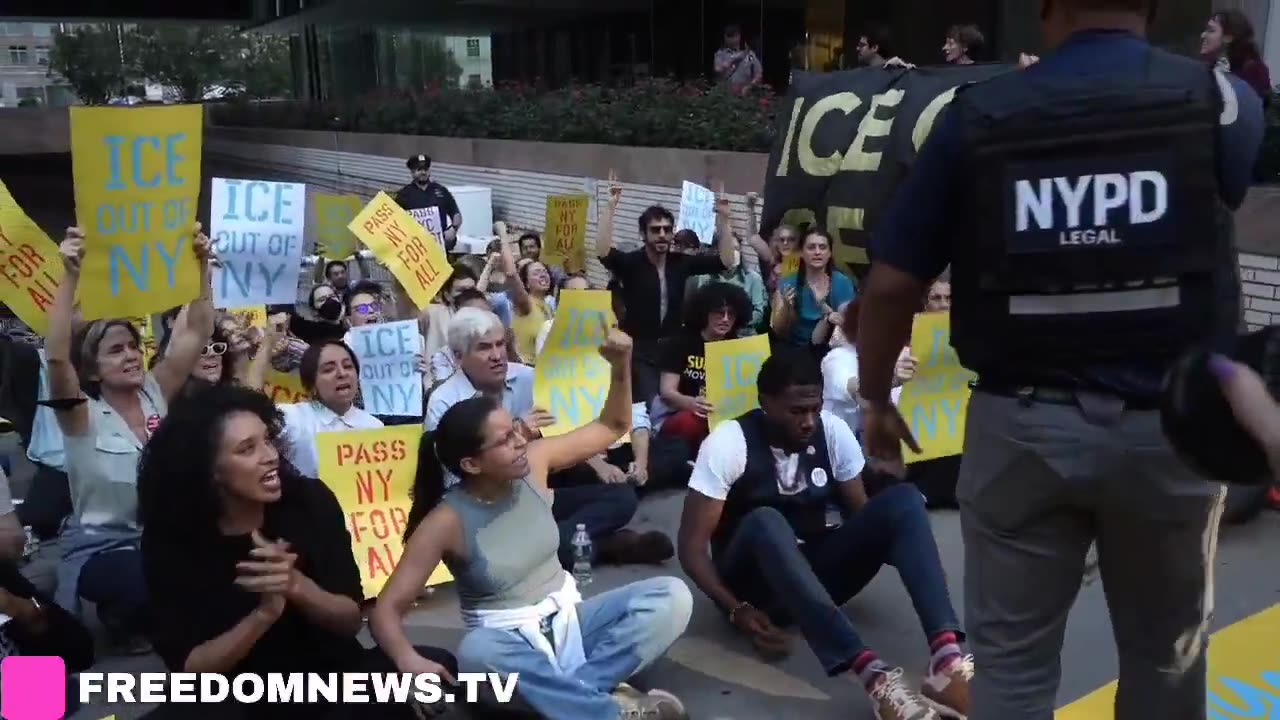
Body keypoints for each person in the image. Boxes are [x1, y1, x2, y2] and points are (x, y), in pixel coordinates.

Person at [855, 1, 1266, 717]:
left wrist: (875, 400)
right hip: (1172, 434)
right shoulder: (1222, 102)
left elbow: (892, 284)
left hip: (1020, 433)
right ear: (1154, 6)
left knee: (1011, 674)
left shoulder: (977, 117)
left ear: (1044, 10)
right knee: (1167, 662)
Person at [370, 321, 692, 720]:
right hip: (508, 648)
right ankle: (612, 709)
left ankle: (573, 698)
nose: (521, 440)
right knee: (477, 654)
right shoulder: (446, 520)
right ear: (471, 464)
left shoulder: (535, 465)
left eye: (515, 431)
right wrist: (408, 660)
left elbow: (612, 426)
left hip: (573, 623)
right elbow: (385, 609)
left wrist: (621, 365)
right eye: (505, 439)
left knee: (670, 596)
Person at [676, 351, 969, 720]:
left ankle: (946, 661)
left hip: (815, 572)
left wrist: (909, 545)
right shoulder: (730, 442)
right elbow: (690, 549)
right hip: (756, 588)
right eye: (796, 412)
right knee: (766, 520)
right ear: (766, 404)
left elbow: (866, 517)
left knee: (905, 501)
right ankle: (873, 676)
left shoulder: (832, 430)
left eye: (814, 409)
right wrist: (735, 608)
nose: (808, 422)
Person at [139, 384, 455, 719]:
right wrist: (263, 615)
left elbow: (349, 622)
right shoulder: (171, 536)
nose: (269, 456)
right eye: (247, 449)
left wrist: (295, 586)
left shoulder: (309, 502)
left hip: (329, 679)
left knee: (435, 668)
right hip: (239, 695)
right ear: (210, 471)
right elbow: (192, 670)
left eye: (267, 440)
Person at [47, 226, 214, 650]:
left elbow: (196, 331)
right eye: (116, 350)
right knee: (153, 576)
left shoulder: (156, 390)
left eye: (134, 346)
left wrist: (201, 266)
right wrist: (69, 275)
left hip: (159, 539)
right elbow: (56, 356)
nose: (131, 356)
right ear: (93, 371)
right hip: (101, 549)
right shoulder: (80, 415)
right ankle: (119, 618)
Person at [426, 308, 671, 567]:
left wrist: (620, 365)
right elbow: (452, 484)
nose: (497, 355)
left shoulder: (527, 377)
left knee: (621, 496)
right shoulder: (443, 403)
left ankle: (568, 544)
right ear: (458, 357)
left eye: (500, 344)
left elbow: (579, 431)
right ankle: (607, 545)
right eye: (484, 348)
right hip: (490, 510)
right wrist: (517, 437)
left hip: (540, 486)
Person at [596, 172, 738, 405]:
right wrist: (611, 206)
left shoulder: (681, 262)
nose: (662, 235)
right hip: (640, 349)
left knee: (683, 403)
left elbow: (726, 260)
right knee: (652, 404)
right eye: (655, 230)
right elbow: (602, 251)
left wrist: (723, 218)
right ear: (643, 234)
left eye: (667, 229)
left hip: (674, 347)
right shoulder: (631, 263)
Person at [279, 339, 383, 479]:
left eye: (348, 366)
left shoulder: (375, 426)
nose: (342, 374)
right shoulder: (292, 418)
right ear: (311, 384)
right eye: (328, 369)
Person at [771, 228, 856, 354]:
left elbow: (850, 327)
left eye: (822, 247)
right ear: (801, 253)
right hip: (792, 350)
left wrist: (824, 307)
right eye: (811, 247)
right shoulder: (788, 282)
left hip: (828, 351)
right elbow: (778, 331)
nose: (817, 252)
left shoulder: (842, 283)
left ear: (829, 253)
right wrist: (787, 310)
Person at [1201, 9, 1273, 106]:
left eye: (1211, 30)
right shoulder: (1210, 67)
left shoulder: (1253, 70)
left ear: (1228, 37)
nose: (1203, 35)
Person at [394, 154, 461, 252]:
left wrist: (453, 229)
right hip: (416, 249)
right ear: (412, 172)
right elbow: (395, 220)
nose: (423, 172)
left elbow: (455, 213)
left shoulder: (441, 191)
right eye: (419, 169)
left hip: (440, 246)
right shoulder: (404, 194)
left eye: (426, 169)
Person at [714, 23, 763, 92]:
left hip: (744, 94)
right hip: (725, 94)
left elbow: (758, 74)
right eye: (728, 36)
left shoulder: (749, 55)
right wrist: (735, 59)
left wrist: (750, 86)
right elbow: (718, 69)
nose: (731, 39)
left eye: (733, 36)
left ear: (739, 36)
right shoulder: (721, 54)